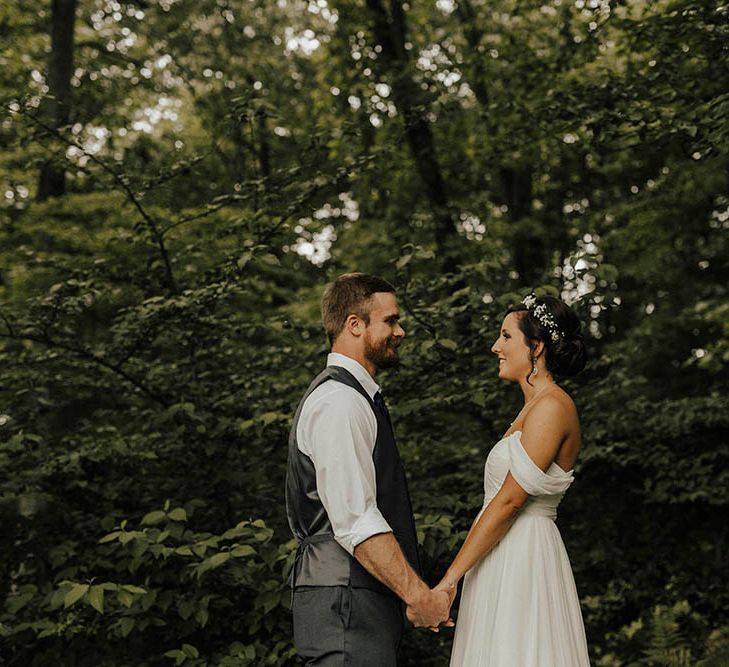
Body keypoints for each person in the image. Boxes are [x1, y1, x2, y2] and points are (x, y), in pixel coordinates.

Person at [286, 272, 452, 666]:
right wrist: (418, 595)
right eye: (391, 320)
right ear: (354, 325)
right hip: (346, 599)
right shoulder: (340, 402)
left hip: (356, 598)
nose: (401, 331)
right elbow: (356, 520)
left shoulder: (354, 398)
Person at [439, 293, 590, 666]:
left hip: (524, 556)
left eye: (506, 337)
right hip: (498, 555)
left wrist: (450, 580)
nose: (495, 347)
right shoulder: (531, 409)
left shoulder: (553, 406)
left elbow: (509, 502)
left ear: (535, 347)